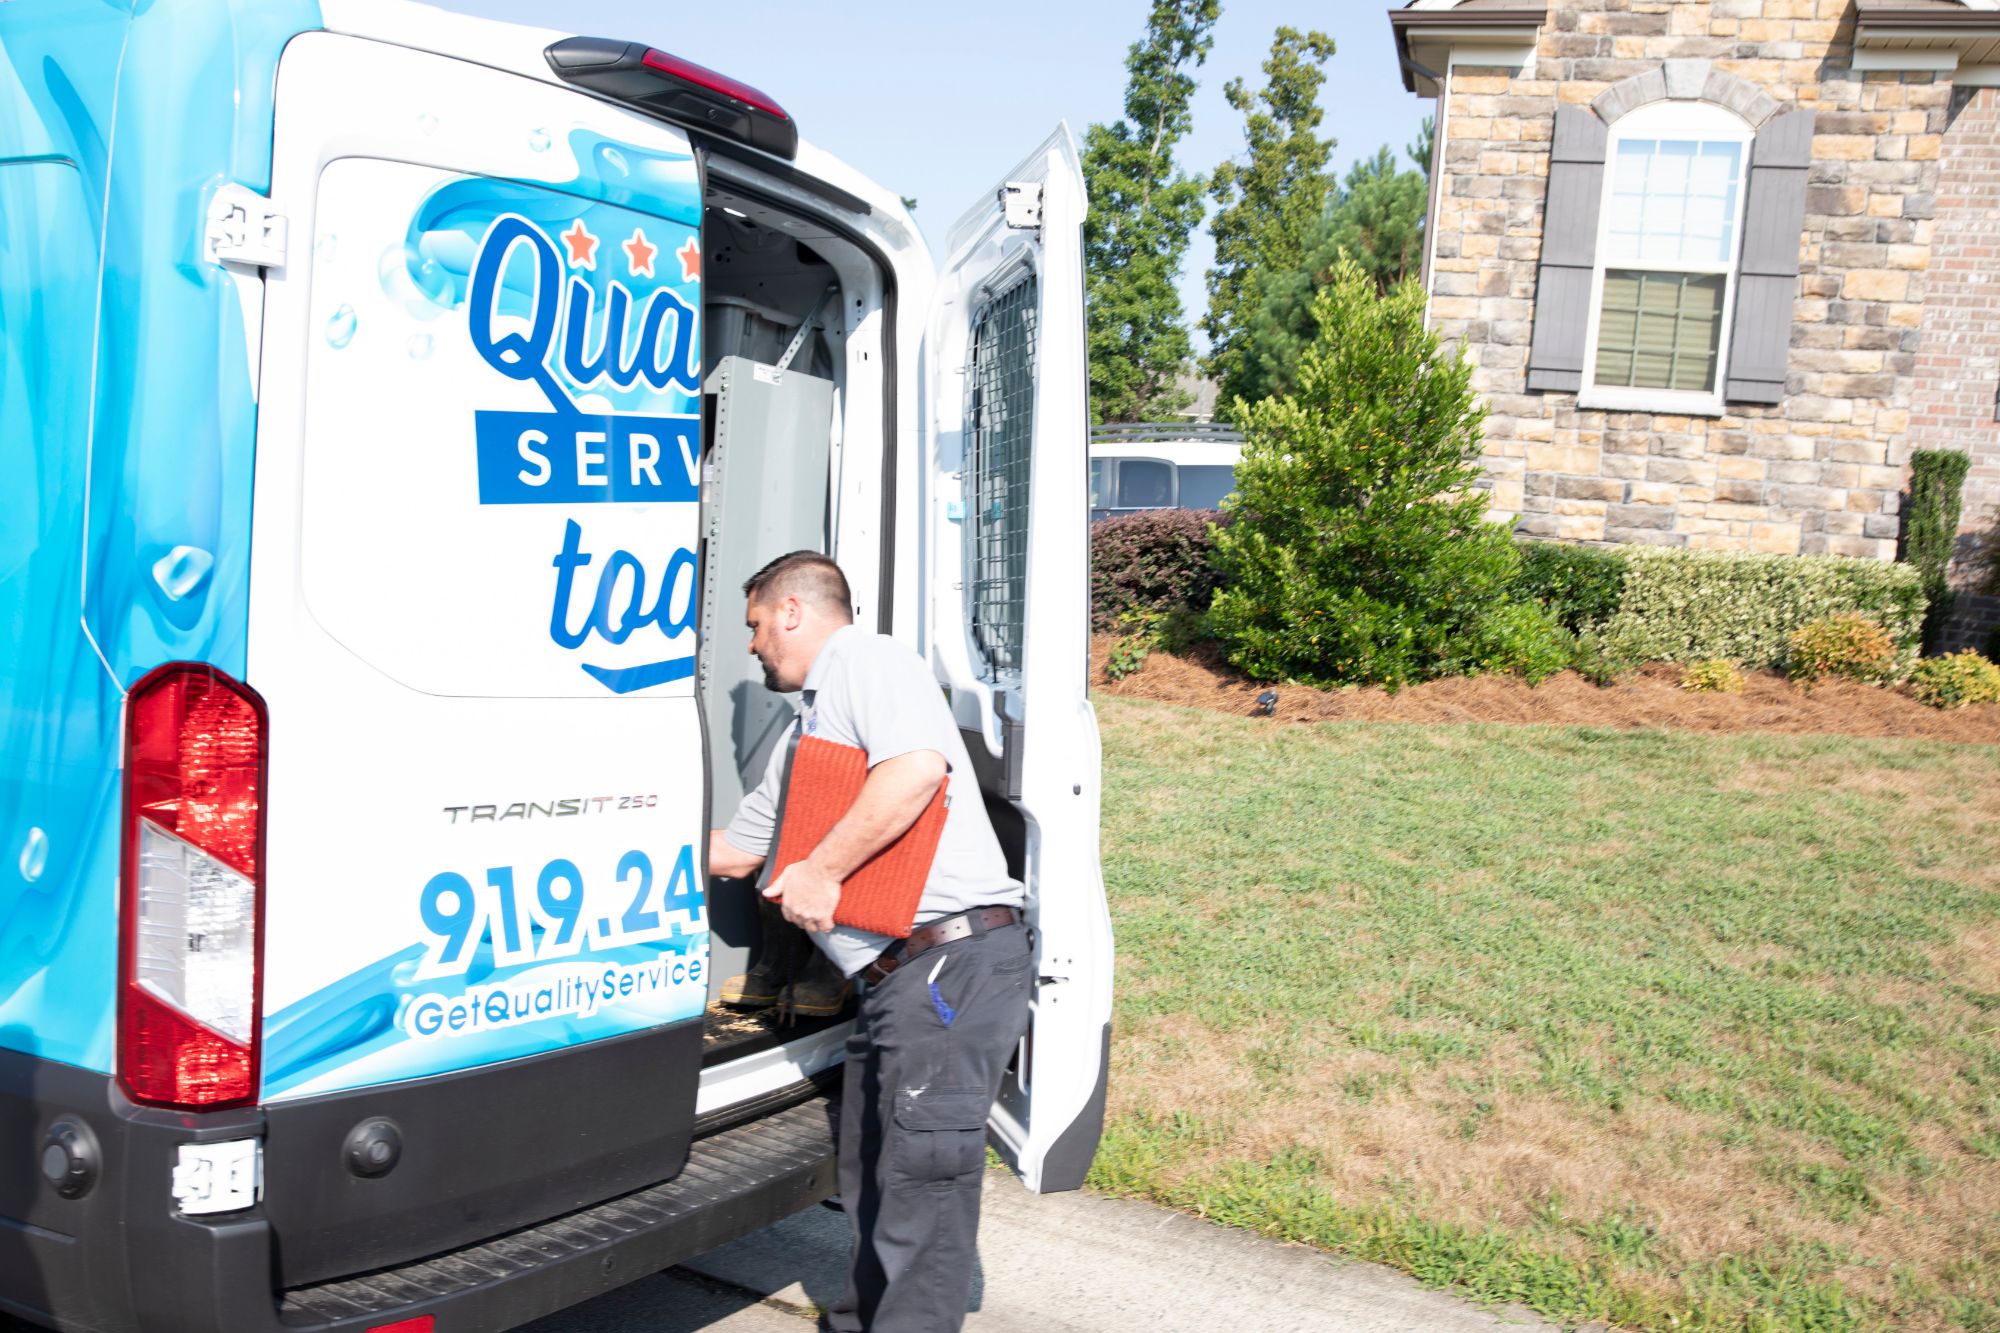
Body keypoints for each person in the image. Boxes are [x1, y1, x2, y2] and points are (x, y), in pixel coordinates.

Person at [707, 550, 1031, 1333]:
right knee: (872, 1175)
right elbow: (733, 853)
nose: (753, 647)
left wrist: (821, 868)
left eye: (755, 626)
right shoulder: (807, 735)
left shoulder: (868, 658)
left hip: (950, 966)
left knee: (922, 1188)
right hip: (898, 983)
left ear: (792, 609)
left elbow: (917, 768)